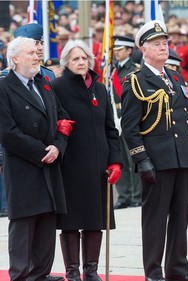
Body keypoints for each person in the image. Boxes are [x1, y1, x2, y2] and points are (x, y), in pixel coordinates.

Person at [121, 20, 188, 281]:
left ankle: (178, 271)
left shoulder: (175, 78)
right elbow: (130, 127)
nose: (163, 48)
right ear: (142, 48)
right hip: (157, 162)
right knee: (155, 221)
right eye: (156, 44)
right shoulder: (135, 81)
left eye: (165, 43)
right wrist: (141, 160)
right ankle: (153, 272)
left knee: (181, 218)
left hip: (182, 159)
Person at [0, 36, 71, 281]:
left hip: (50, 164)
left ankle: (40, 274)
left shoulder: (43, 83)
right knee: (24, 225)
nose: (36, 56)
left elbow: (63, 119)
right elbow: (7, 133)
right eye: (30, 52)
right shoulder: (4, 87)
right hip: (24, 167)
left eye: (36, 52)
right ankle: (21, 276)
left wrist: (59, 148)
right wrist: (43, 152)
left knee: (45, 223)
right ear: (15, 59)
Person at [51, 39, 123, 281]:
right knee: (71, 221)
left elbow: (111, 130)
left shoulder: (100, 88)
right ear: (66, 64)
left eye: (84, 58)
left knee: (95, 219)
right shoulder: (57, 87)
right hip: (71, 164)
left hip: (99, 165)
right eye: (75, 59)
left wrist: (116, 161)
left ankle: (90, 271)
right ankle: (72, 272)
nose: (81, 62)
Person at [111, 35, 142, 209]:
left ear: (129, 50)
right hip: (115, 118)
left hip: (129, 118)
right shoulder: (112, 72)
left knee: (133, 159)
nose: (116, 53)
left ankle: (137, 196)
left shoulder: (136, 69)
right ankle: (124, 196)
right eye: (115, 50)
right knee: (120, 159)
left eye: (120, 49)